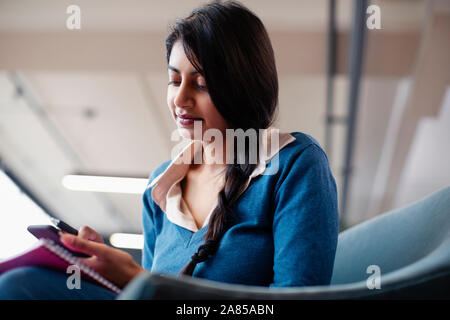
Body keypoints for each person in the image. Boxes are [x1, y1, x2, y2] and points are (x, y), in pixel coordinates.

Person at [0, 1, 338, 299]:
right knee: (22, 284)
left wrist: (144, 281)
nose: (179, 100)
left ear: (243, 89)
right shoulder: (160, 185)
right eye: (174, 81)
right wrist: (114, 276)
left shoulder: (294, 163)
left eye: (201, 84)